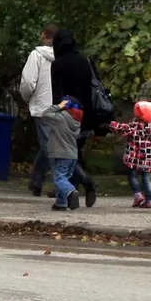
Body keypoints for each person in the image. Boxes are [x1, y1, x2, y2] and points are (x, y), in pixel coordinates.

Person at [49, 30, 99, 207]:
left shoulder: (58, 64)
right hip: (86, 114)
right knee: (73, 154)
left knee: (65, 154)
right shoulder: (85, 61)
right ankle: (63, 197)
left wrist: (56, 111)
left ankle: (80, 185)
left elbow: (57, 93)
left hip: (68, 114)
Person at [19, 24, 57, 196]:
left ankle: (58, 184)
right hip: (60, 107)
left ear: (44, 36)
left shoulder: (36, 56)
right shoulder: (63, 56)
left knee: (48, 147)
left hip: (42, 107)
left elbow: (28, 82)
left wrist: (27, 98)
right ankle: (37, 180)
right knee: (49, 145)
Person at [109, 100, 151, 208]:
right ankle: (149, 200)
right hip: (148, 157)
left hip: (135, 157)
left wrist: (111, 123)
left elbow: (122, 127)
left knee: (132, 176)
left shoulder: (136, 125)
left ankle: (138, 195)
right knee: (147, 179)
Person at [38, 97, 83, 210]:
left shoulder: (60, 118)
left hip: (61, 154)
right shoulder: (76, 121)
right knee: (64, 178)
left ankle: (71, 192)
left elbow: (45, 115)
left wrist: (58, 106)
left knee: (58, 179)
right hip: (72, 155)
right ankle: (61, 203)